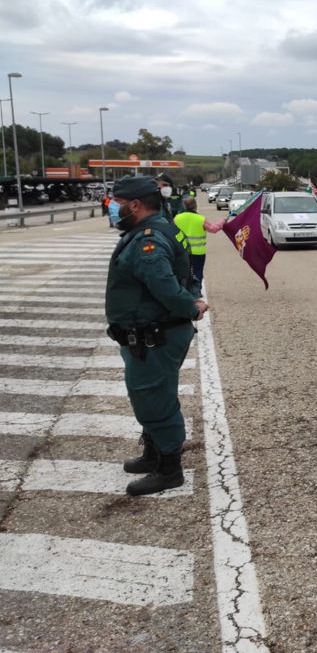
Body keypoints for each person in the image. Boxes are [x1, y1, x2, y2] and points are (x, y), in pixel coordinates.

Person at [105, 175, 207, 496]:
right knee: (148, 395)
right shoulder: (159, 229)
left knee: (155, 399)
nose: (113, 208)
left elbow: (165, 285)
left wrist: (191, 307)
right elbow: (183, 274)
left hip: (156, 335)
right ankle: (153, 453)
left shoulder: (149, 239)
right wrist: (192, 300)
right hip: (149, 335)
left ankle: (169, 469)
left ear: (135, 205)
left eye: (118, 203)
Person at [173, 196, 225, 286]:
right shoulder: (201, 219)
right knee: (197, 272)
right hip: (198, 252)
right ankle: (196, 289)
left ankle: (184, 289)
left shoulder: (177, 218)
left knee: (182, 272)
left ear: (184, 206)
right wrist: (222, 221)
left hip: (181, 251)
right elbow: (214, 229)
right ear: (195, 206)